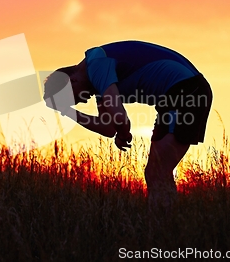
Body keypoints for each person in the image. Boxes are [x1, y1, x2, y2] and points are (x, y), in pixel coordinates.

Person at [43, 40, 212, 210]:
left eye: (75, 99)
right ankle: (166, 226)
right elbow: (108, 128)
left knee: (157, 173)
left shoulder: (97, 65)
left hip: (187, 90)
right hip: (176, 95)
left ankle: (164, 227)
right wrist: (67, 111)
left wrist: (123, 134)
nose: (83, 100)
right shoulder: (99, 78)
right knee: (156, 173)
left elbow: (120, 119)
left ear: (71, 81)